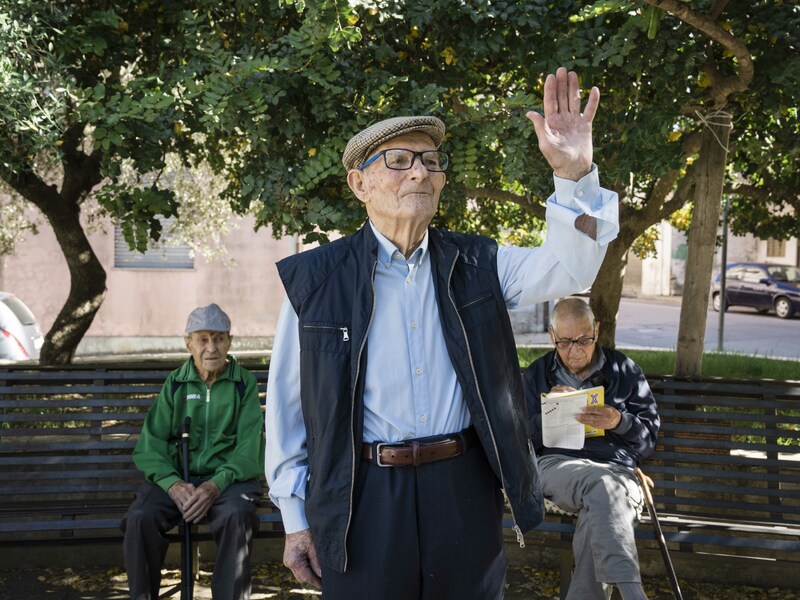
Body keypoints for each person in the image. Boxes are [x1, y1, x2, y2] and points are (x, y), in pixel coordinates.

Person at [265, 66, 620, 600]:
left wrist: (574, 175)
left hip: (462, 487)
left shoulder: (479, 263)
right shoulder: (316, 280)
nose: (419, 172)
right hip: (362, 494)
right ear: (360, 184)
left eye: (431, 161)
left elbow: (572, 269)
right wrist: (295, 518)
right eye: (399, 160)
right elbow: (289, 411)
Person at [121, 303, 265, 600]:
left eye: (219, 338)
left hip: (228, 481)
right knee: (140, 517)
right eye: (202, 339)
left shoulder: (244, 383)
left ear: (229, 342)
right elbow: (151, 444)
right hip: (179, 478)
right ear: (188, 343)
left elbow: (249, 446)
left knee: (238, 515)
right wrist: (172, 483)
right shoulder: (176, 383)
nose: (211, 348)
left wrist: (215, 485)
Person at [522, 297, 660, 600]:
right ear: (552, 336)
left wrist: (619, 421)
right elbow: (517, 440)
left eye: (584, 340)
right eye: (565, 342)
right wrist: (548, 416)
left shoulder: (625, 370)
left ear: (596, 330)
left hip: (617, 470)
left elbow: (648, 441)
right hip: (557, 466)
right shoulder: (537, 374)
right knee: (604, 487)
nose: (575, 350)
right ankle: (632, 592)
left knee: (599, 507)